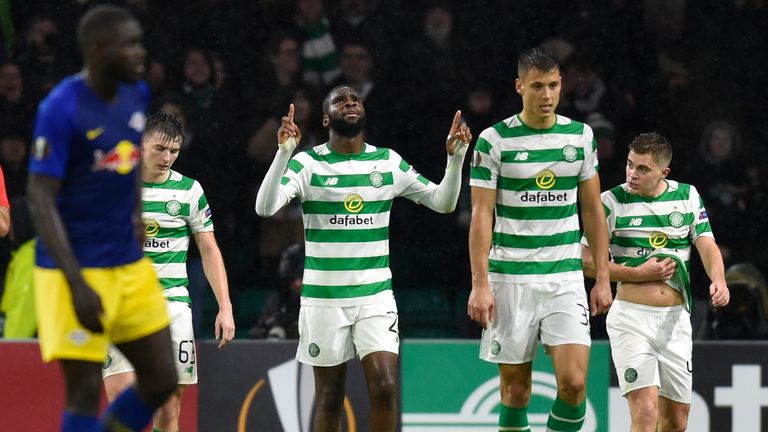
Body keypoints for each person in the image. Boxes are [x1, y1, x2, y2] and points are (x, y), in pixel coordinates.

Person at [255, 85, 471, 432]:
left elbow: (443, 203)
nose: (350, 102)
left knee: (385, 388)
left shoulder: (387, 161)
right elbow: (265, 208)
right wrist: (283, 154)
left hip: (374, 298)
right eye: (340, 101)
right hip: (323, 300)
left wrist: (455, 158)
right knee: (328, 399)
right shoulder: (307, 163)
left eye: (355, 99)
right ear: (326, 118)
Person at [26, 6, 177, 431]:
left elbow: (127, 157)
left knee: (163, 377)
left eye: (139, 42)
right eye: (128, 44)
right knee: (85, 392)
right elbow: (39, 198)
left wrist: (134, 212)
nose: (140, 52)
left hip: (127, 265)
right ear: (95, 49)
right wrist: (76, 283)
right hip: (70, 271)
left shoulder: (138, 94)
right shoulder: (60, 108)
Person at [467, 48, 612, 432]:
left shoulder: (580, 137)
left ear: (561, 84)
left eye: (552, 85)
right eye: (537, 86)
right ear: (519, 87)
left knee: (576, 383)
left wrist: (601, 278)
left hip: (564, 277)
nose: (546, 95)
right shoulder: (493, 140)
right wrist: (480, 284)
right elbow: (481, 216)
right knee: (516, 392)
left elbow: (593, 210)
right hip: (510, 278)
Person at [581, 132, 730, 432]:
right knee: (645, 412)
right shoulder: (610, 202)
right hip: (631, 319)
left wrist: (719, 280)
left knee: (676, 422)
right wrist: (638, 274)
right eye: (630, 165)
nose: (632, 174)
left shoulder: (687, 196)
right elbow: (585, 261)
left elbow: (706, 244)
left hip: (675, 322)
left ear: (664, 172)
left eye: (643, 169)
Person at [102, 111, 235, 431]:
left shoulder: (190, 191)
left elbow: (209, 249)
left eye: (174, 151)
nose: (167, 157)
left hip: (172, 305)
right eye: (160, 149)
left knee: (168, 406)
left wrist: (225, 306)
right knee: (121, 397)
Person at [249, 243, 304, 339]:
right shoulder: (278, 302)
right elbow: (257, 332)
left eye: (301, 277)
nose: (297, 283)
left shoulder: (321, 303)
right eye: (292, 279)